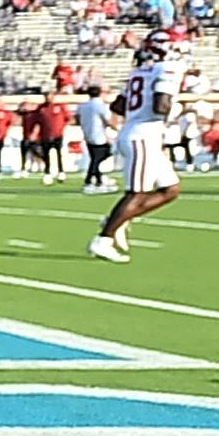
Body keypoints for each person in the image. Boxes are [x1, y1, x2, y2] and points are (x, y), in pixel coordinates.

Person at [91, 31, 186, 263]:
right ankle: (103, 240)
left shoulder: (139, 72)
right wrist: (176, 110)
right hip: (144, 136)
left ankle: (117, 220)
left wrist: (138, 112)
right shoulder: (167, 69)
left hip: (138, 133)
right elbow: (161, 106)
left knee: (170, 189)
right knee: (137, 192)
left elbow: (118, 106)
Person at [76, 80, 116, 193]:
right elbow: (107, 119)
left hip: (88, 134)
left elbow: (77, 118)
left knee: (95, 157)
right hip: (99, 135)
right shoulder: (100, 105)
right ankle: (89, 180)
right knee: (100, 157)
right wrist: (115, 128)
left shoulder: (83, 105)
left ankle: (98, 180)